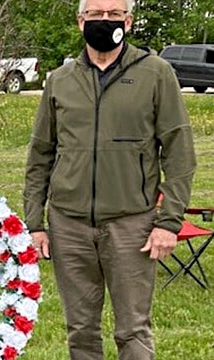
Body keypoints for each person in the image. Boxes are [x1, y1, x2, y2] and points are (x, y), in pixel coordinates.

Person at [23, 0, 196, 359]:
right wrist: (35, 223)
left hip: (131, 223)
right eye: (96, 14)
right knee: (81, 331)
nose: (104, 21)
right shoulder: (60, 80)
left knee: (132, 330)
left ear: (128, 22)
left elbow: (179, 153)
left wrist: (168, 223)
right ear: (80, 22)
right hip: (69, 225)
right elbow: (41, 154)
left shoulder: (156, 73)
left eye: (114, 14)